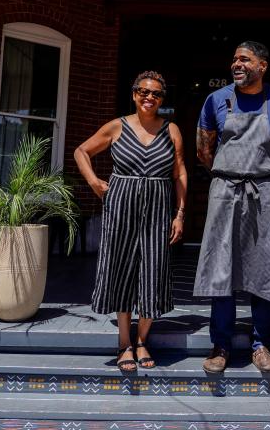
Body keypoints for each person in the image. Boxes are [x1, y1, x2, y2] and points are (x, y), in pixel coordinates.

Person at [74, 71, 187, 372]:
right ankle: (124, 343)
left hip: (158, 208)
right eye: (144, 92)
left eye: (157, 94)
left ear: (163, 99)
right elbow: (81, 151)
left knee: (153, 271)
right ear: (134, 94)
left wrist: (180, 213)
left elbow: (180, 174)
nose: (150, 97)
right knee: (122, 271)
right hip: (121, 205)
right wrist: (95, 183)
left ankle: (142, 340)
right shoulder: (117, 126)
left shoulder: (171, 130)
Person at [193, 41, 270, 373]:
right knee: (221, 267)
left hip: (264, 190)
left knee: (264, 267)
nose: (237, 64)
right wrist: (229, 175)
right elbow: (203, 151)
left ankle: (261, 343)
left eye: (245, 59)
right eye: (234, 60)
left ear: (262, 65)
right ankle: (220, 344)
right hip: (225, 189)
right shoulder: (215, 100)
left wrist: (260, 176)